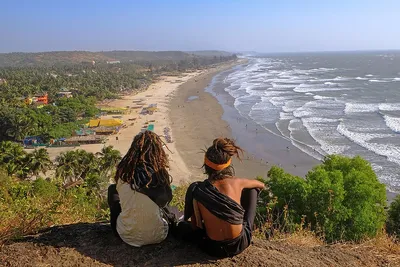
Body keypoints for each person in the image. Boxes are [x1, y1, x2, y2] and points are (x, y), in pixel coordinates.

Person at [180, 138, 265, 258]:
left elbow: (195, 227)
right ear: (227, 165)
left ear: (206, 165)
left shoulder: (196, 189)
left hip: (212, 248)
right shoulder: (237, 182)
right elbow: (260, 184)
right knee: (252, 189)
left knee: (182, 227)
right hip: (240, 244)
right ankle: (244, 227)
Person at [107, 131, 177, 247]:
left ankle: (116, 227)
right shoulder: (158, 175)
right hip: (158, 235)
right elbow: (166, 201)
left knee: (112, 190)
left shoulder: (124, 172)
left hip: (126, 235)